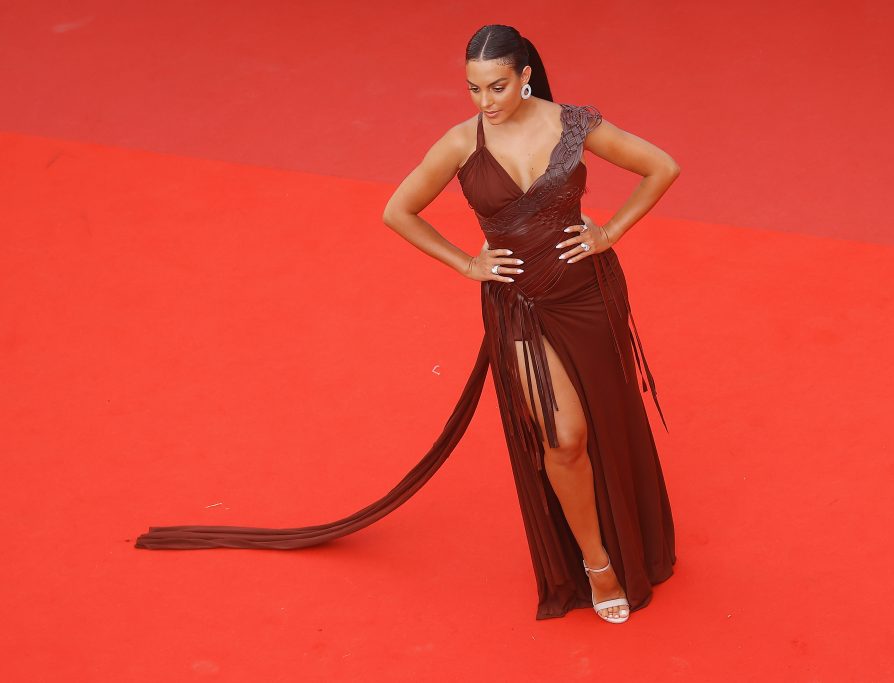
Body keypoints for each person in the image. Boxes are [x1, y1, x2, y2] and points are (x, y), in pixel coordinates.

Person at [134, 24, 680, 625]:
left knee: (612, 416)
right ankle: (597, 562)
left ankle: (636, 535)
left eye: (497, 87)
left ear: (526, 77)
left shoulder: (575, 124)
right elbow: (399, 211)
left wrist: (611, 232)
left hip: (589, 295)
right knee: (564, 438)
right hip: (519, 305)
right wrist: (467, 264)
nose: (485, 103)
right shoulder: (458, 143)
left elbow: (661, 166)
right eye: (473, 89)